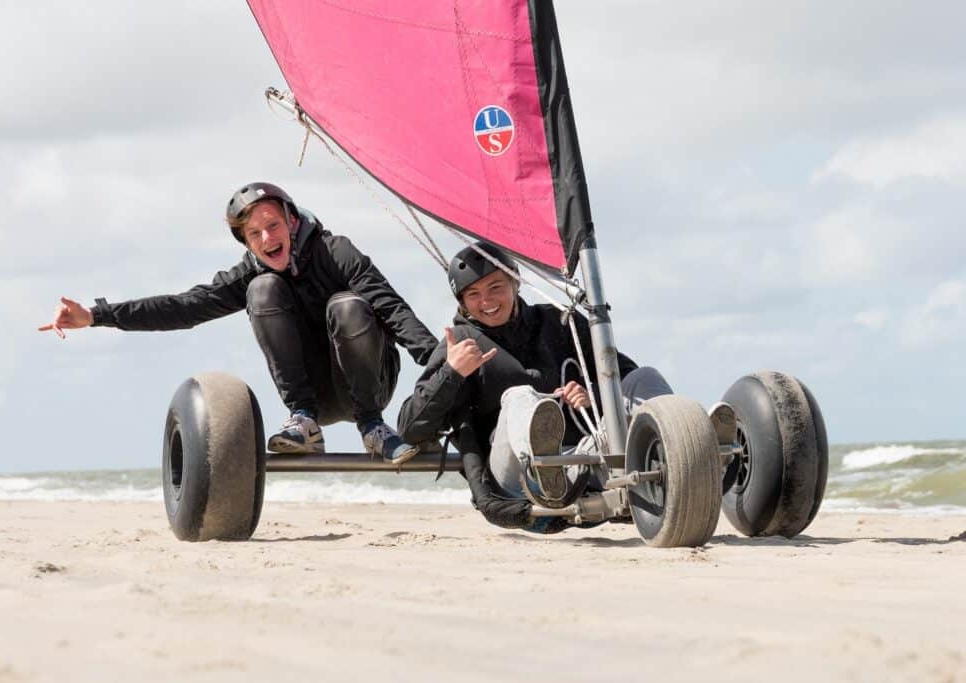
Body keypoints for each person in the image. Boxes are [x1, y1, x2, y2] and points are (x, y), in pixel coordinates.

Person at [39, 182, 436, 464]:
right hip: (316, 395)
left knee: (347, 306)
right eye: (254, 233)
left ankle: (372, 427)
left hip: (369, 384)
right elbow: (185, 307)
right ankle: (303, 420)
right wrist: (97, 316)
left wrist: (444, 369)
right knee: (262, 290)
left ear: (291, 221)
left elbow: (391, 308)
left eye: (273, 225)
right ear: (246, 241)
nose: (266, 238)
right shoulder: (250, 272)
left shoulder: (336, 252)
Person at [398, 242, 674, 531]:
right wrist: (451, 373)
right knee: (520, 396)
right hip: (518, 479)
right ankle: (546, 472)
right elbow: (409, 428)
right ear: (462, 302)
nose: (486, 301)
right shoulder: (460, 344)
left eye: (495, 287)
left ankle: (684, 461)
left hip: (587, 458)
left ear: (515, 282)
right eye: (473, 294)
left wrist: (592, 395)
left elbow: (621, 374)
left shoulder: (559, 321)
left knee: (644, 377)